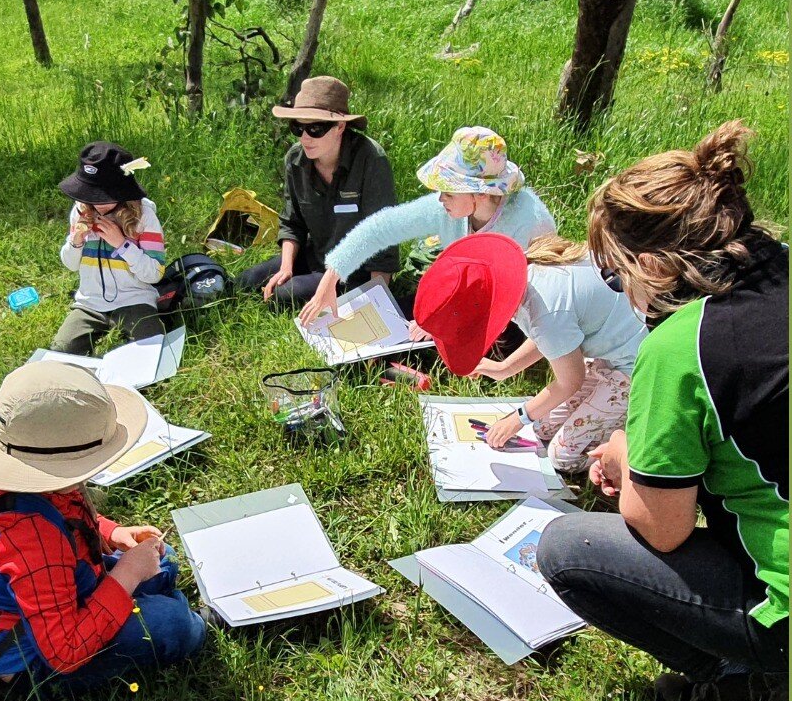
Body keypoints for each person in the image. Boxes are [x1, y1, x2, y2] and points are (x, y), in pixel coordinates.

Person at [537, 121, 788, 701]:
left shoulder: (682, 344)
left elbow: (661, 527)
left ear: (654, 265)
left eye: (620, 279)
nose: (625, 298)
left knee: (567, 551)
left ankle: (749, 682)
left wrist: (627, 456)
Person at [0, 360, 206, 688]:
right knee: (173, 625)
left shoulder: (34, 484)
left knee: (164, 561)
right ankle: (189, 620)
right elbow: (65, 653)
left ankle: (150, 601)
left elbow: (67, 515)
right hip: (35, 658)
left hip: (61, 588)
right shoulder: (30, 540)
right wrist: (128, 574)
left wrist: (112, 532)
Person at [414, 233, 646, 474]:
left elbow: (570, 381)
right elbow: (551, 339)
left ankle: (629, 446)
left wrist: (518, 418)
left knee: (563, 456)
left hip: (640, 368)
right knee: (542, 428)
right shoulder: (529, 280)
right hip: (612, 355)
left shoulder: (545, 314)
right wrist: (503, 369)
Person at [298, 126, 556, 333]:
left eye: (448, 191)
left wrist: (440, 320)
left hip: (515, 316)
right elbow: (383, 227)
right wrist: (332, 276)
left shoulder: (526, 223)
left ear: (481, 194)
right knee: (392, 321)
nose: (440, 198)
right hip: (463, 297)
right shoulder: (448, 207)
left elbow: (505, 297)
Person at [238, 76, 398, 307]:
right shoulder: (295, 159)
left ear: (340, 127)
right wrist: (286, 268)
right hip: (316, 254)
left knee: (283, 295)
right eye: (298, 127)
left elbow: (384, 230)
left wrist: (375, 297)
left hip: (355, 269)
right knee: (244, 283)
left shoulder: (370, 159)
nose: (305, 137)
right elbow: (292, 222)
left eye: (315, 128)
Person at [52, 142, 167, 353]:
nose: (97, 203)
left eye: (104, 196)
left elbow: (155, 274)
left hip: (135, 300)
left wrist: (122, 245)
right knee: (61, 351)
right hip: (90, 304)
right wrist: (76, 241)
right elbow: (70, 265)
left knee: (154, 351)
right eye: (90, 195)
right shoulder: (81, 211)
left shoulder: (144, 217)